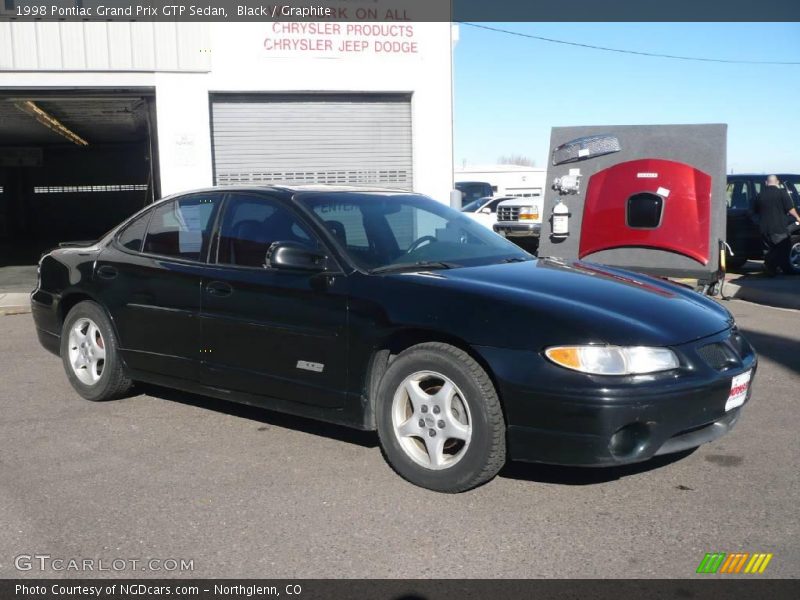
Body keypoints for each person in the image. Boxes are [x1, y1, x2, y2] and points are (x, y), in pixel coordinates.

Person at [754, 175, 800, 275]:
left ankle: (770, 270)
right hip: (779, 228)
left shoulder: (760, 195)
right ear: (777, 182)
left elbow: (755, 210)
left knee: (768, 250)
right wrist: (797, 217)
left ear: (766, 183)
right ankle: (769, 267)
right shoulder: (782, 193)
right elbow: (790, 208)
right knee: (782, 248)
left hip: (764, 228)